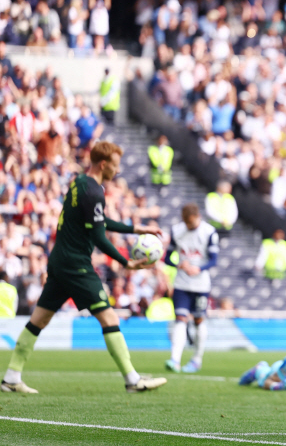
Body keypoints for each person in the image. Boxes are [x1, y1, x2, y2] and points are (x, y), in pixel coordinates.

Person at [1, 142, 166, 394]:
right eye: (115, 164)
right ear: (103, 164)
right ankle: (133, 380)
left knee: (39, 319)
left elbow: (99, 221)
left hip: (59, 261)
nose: (117, 170)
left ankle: (12, 376)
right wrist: (126, 262)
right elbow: (99, 238)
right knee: (109, 318)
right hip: (76, 264)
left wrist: (136, 229)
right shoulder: (93, 192)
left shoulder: (80, 183)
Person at [163, 203, 218, 374]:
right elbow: (166, 258)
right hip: (181, 283)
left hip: (201, 284)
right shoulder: (176, 231)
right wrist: (178, 264)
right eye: (187, 224)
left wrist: (199, 268)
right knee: (180, 319)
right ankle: (175, 359)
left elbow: (214, 260)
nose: (190, 226)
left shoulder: (209, 232)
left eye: (192, 224)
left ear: (198, 217)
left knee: (198, 320)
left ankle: (196, 359)